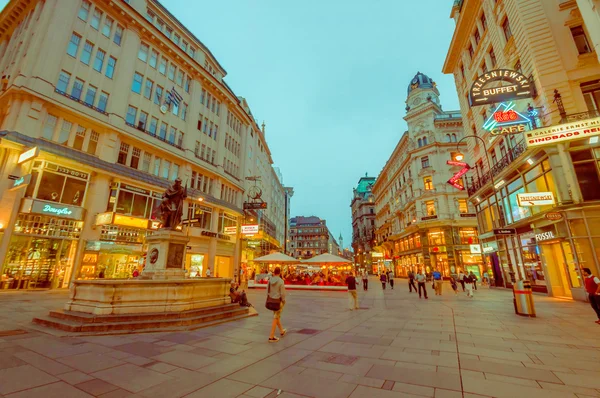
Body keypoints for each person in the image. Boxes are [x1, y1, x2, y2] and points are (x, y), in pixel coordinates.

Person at [267, 267, 287, 342]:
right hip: (278, 301)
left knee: (276, 315)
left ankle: (282, 331)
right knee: (276, 317)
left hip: (271, 301)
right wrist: (284, 301)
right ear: (280, 272)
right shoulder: (281, 281)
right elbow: (283, 293)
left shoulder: (270, 280)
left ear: (274, 272)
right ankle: (271, 336)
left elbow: (267, 291)